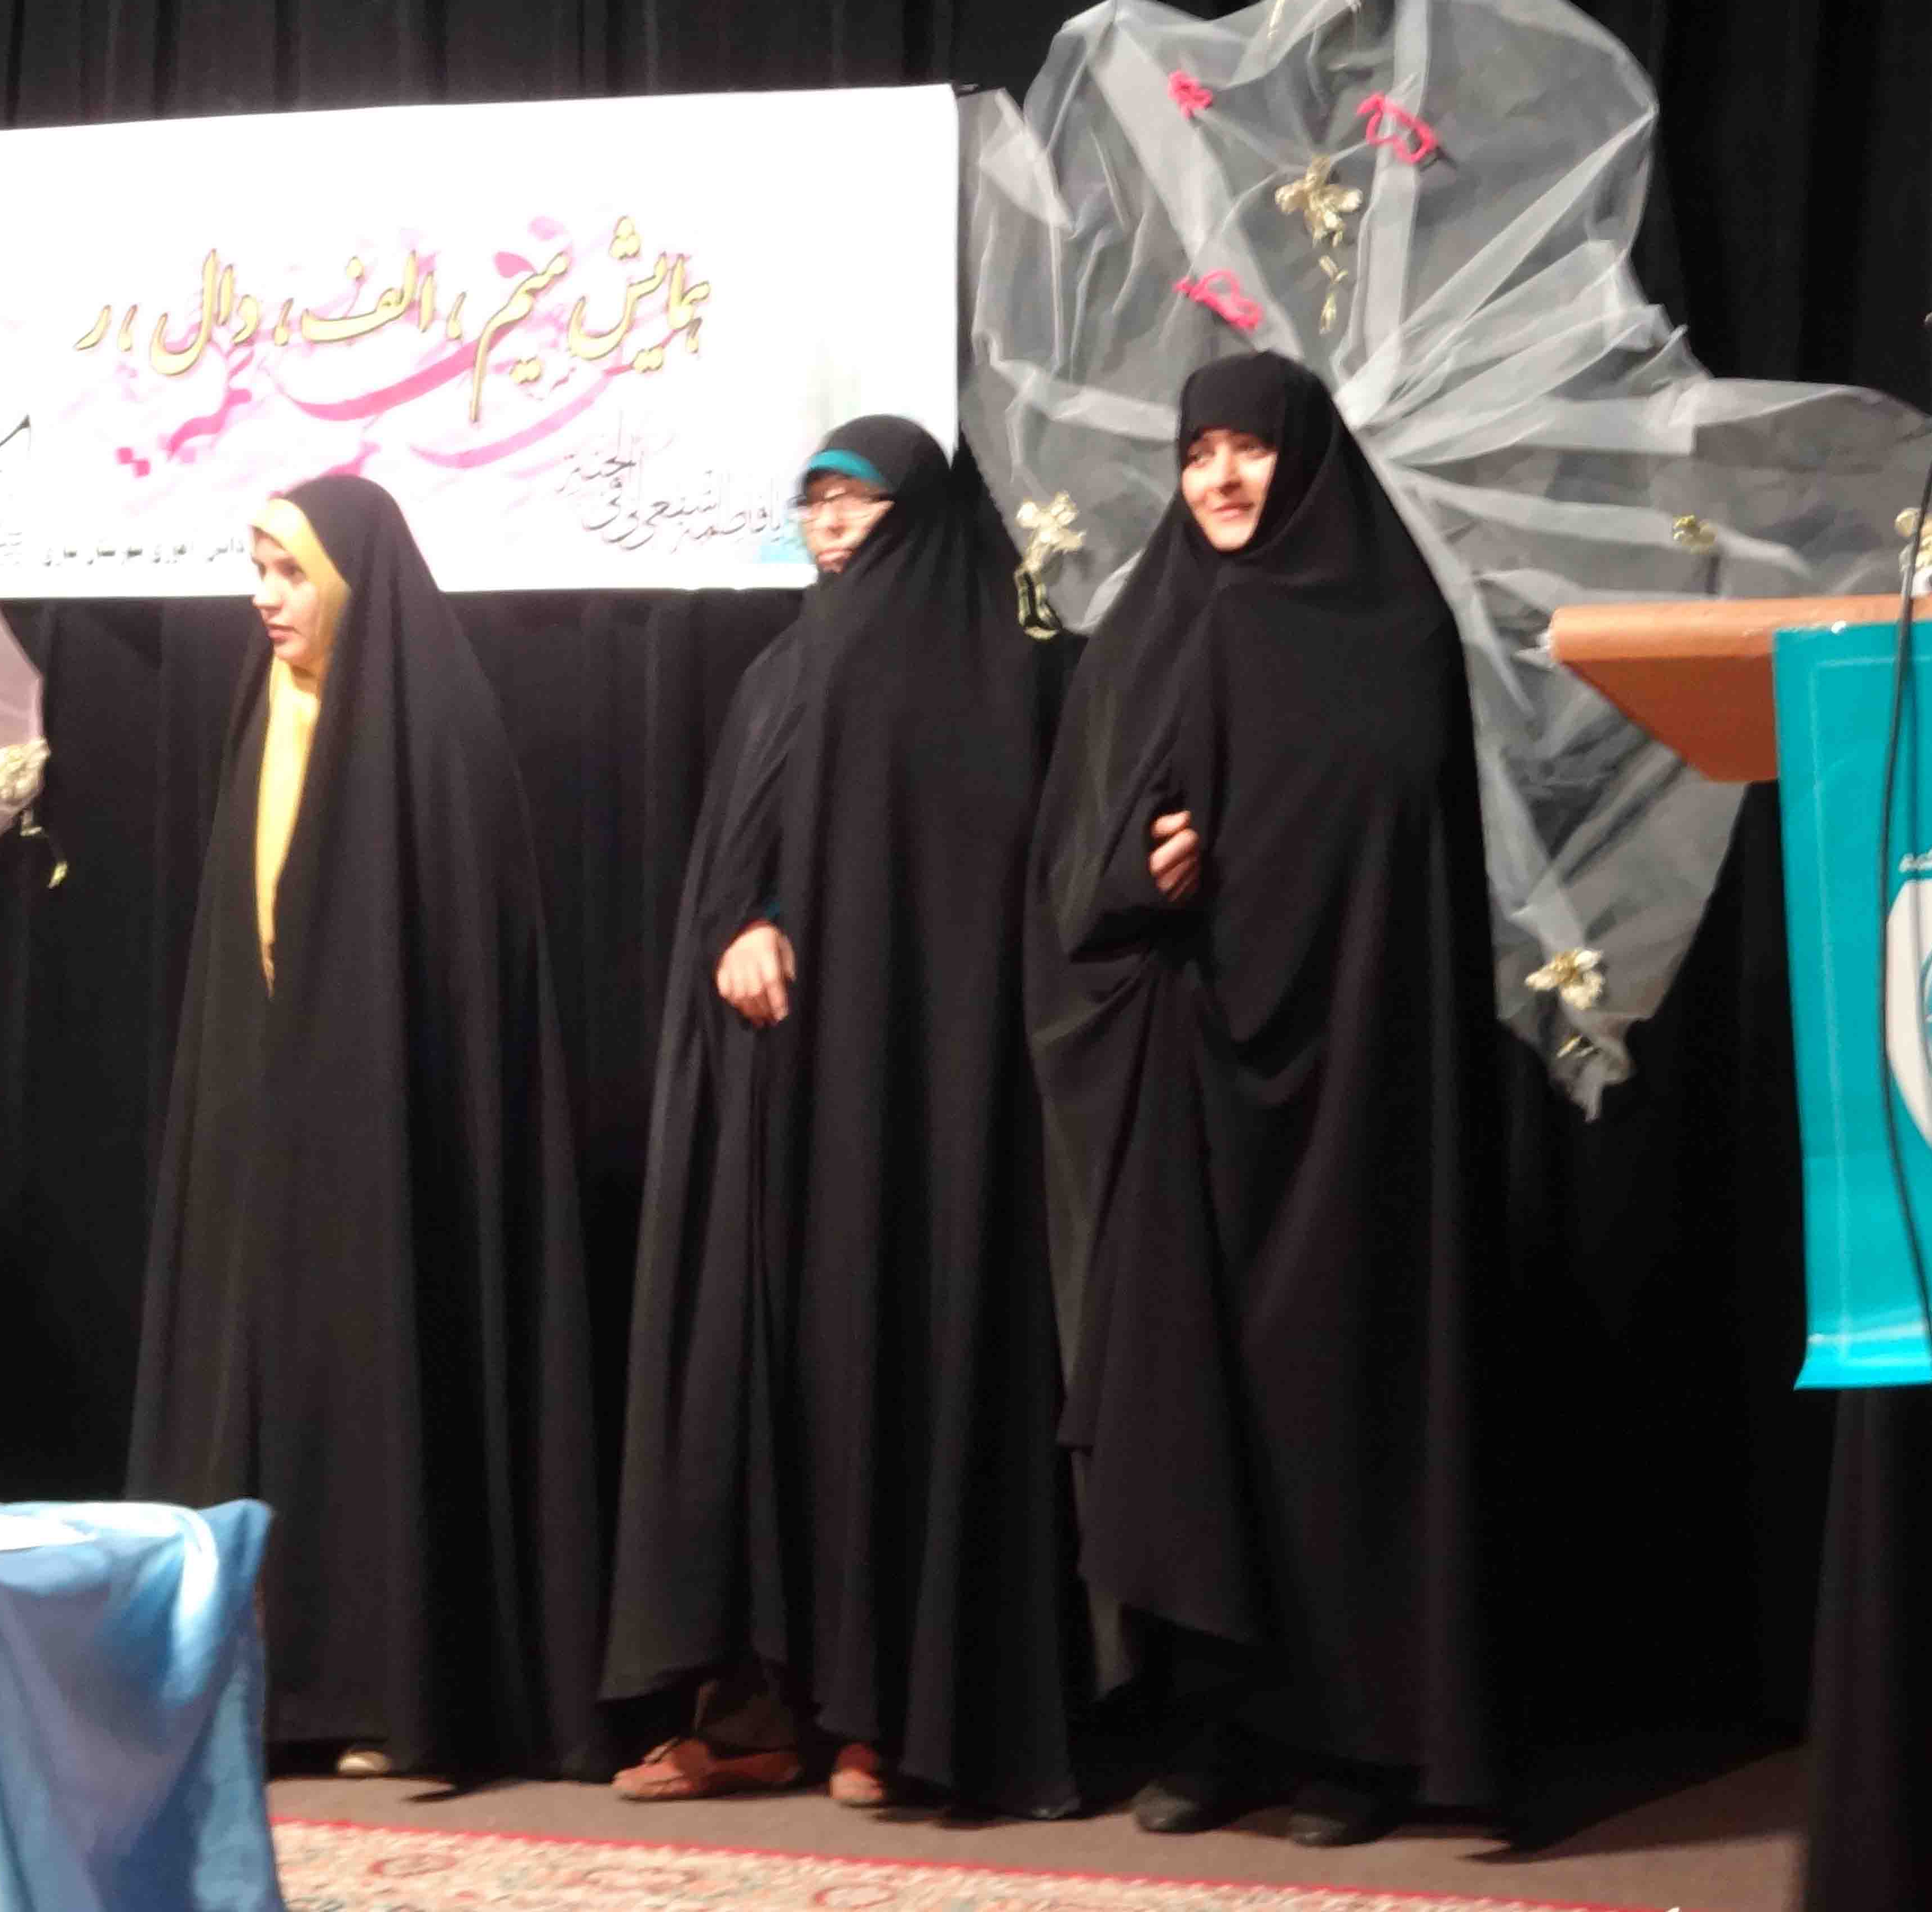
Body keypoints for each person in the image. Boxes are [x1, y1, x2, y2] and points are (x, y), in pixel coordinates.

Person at [1027, 351, 1504, 1847]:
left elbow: (1407, 834)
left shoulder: (1393, 626)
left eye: (1249, 449)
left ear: (1307, 459)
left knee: (1338, 1406)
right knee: (1195, 1412)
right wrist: (1137, 873)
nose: (1222, 478)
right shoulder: (1147, 627)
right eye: (1197, 454)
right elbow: (1070, 866)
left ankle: (1361, 1746)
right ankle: (1219, 1729)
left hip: (1355, 1086)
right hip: (1194, 1086)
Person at [602, 418, 1085, 1817]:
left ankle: (893, 1716)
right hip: (791, 1095)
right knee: (771, 1384)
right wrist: (741, 924)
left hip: (939, 1110)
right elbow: (734, 861)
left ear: (921, 516)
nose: (826, 523)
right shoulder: (782, 672)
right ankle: (763, 1709)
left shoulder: (1014, 676)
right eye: (811, 500)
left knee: (909, 1374)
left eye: (856, 502)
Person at [127, 475, 607, 1785]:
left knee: (379, 1380)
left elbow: (463, 978)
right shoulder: (263, 716)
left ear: (351, 582)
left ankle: (391, 1690)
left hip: (390, 1134)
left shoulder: (436, 731)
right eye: (257, 569)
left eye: (290, 573)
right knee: (255, 1381)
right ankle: (257, 1683)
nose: (264, 598)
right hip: (265, 1122)